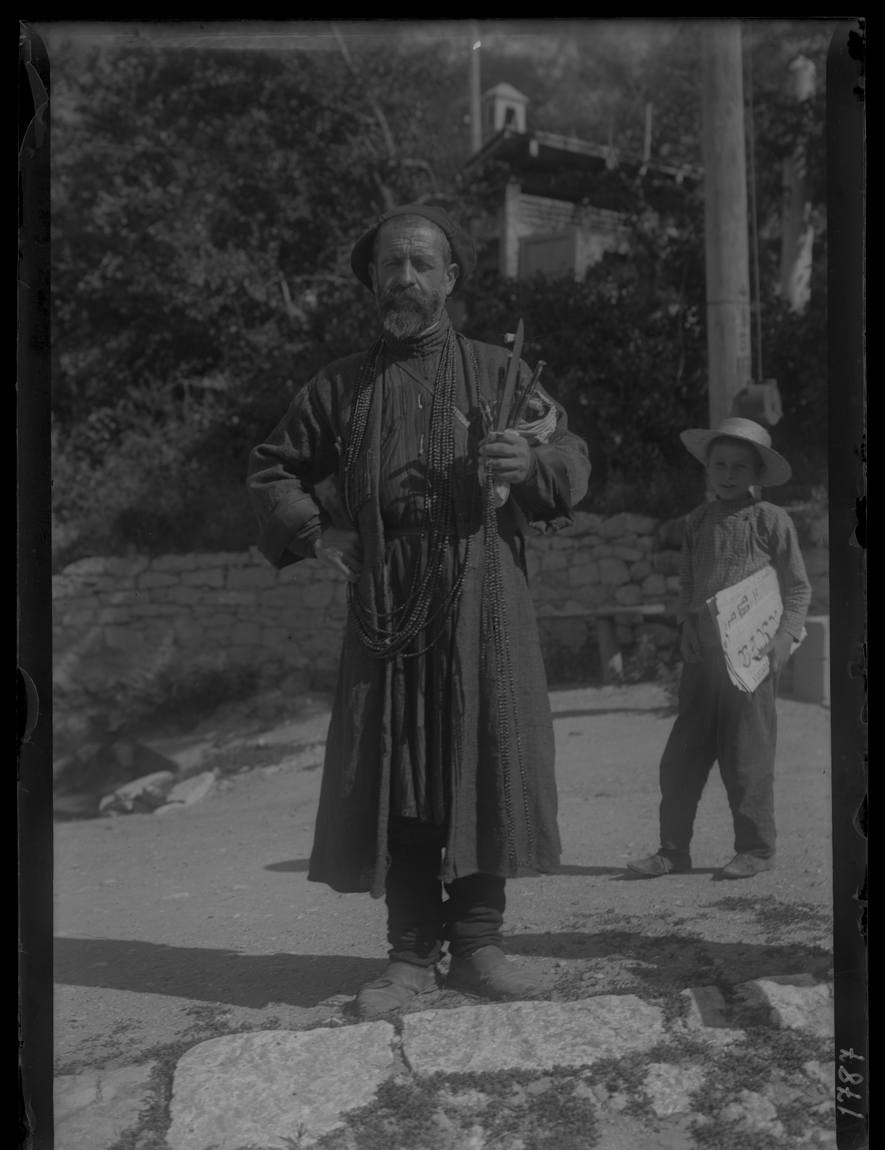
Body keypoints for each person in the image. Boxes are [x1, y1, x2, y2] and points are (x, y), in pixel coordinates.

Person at [248, 205, 591, 1017]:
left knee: (483, 754)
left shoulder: (499, 371)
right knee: (398, 765)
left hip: (484, 583)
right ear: (372, 279)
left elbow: (570, 458)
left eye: (420, 264)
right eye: (390, 265)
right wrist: (318, 531)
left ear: (449, 278)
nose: (404, 278)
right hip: (388, 592)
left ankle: (478, 946)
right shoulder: (338, 385)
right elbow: (271, 471)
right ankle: (407, 956)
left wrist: (528, 461)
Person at [627, 417, 812, 881]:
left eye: (739, 467)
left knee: (747, 757)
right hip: (703, 660)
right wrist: (686, 625)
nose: (728, 474)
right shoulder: (697, 521)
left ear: (757, 474)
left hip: (750, 661)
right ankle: (672, 851)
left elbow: (798, 588)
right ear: (707, 467)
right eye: (720, 464)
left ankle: (756, 849)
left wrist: (784, 638)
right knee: (681, 757)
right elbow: (689, 583)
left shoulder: (771, 520)